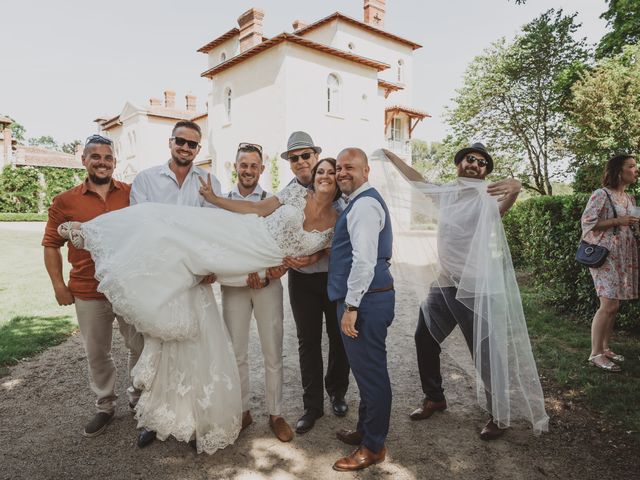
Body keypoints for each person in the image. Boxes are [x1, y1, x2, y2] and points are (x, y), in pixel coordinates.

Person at [57, 155, 341, 454]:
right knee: (171, 226)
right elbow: (257, 209)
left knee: (273, 349)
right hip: (246, 239)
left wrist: (309, 259)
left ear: (337, 181)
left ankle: (276, 413)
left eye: (330, 173)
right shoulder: (296, 193)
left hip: (267, 266)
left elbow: (330, 249)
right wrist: (214, 199)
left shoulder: (337, 220)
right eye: (320, 171)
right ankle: (91, 232)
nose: (324, 176)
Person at [389, 143, 548, 440]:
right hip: (444, 283)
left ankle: (498, 416)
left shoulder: (485, 196)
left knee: (485, 353)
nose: (475, 164)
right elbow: (417, 179)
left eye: (482, 162)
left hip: (476, 288)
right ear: (459, 164)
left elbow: (502, 209)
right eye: (469, 159)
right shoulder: (446, 194)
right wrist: (391, 156)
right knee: (425, 338)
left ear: (485, 171)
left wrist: (515, 188)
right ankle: (434, 396)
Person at [127, 120, 223, 448]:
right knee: (159, 348)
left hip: (196, 280)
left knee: (196, 350)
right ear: (171, 143)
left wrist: (208, 265)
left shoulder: (210, 182)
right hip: (161, 280)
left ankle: (195, 420)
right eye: (180, 141)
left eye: (192, 144)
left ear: (199, 149)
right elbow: (142, 229)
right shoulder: (146, 180)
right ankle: (154, 421)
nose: (185, 148)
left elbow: (214, 230)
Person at [42, 134, 143, 438]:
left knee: (139, 345)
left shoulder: (132, 194)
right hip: (88, 289)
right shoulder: (65, 201)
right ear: (83, 160)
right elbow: (50, 244)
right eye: (95, 157)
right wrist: (59, 285)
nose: (102, 162)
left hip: (128, 287)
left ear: (115, 162)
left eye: (108, 157)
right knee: (97, 352)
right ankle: (105, 405)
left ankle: (139, 399)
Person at [221, 143, 293, 442]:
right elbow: (218, 244)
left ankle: (275, 413)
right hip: (234, 287)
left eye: (254, 165)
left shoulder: (273, 202)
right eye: (243, 164)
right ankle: (242, 411)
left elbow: (284, 245)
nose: (248, 170)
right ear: (235, 167)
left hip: (267, 286)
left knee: (272, 351)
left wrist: (277, 270)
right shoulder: (221, 202)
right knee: (236, 352)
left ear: (261, 169)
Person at [328, 148, 394, 472]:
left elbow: (365, 260)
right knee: (367, 372)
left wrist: (351, 306)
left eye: (349, 167)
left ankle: (374, 447)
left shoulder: (365, 205)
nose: (341, 172)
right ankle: (366, 431)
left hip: (366, 301)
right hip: (369, 298)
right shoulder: (359, 201)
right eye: (338, 167)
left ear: (366, 171)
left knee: (372, 376)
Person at [280, 131, 350, 435]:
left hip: (334, 278)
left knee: (339, 338)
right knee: (307, 342)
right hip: (302, 282)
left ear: (316, 156)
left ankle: (337, 393)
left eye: (305, 155)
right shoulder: (287, 194)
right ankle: (312, 406)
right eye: (294, 158)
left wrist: (320, 252)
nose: (300, 162)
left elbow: (347, 233)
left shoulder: (336, 186)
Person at [581, 154, 638, 372]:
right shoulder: (601, 194)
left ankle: (605, 348)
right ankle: (595, 354)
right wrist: (618, 221)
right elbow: (587, 223)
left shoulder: (630, 198)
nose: (636, 170)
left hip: (624, 255)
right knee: (608, 305)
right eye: (631, 166)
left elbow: (630, 226)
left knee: (615, 305)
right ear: (618, 171)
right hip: (605, 255)